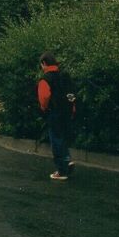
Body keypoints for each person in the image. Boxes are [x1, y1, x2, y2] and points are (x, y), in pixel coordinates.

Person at [37, 51, 76, 181]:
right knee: (63, 137)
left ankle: (61, 171)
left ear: (44, 63)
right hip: (67, 111)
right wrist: (73, 108)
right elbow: (71, 94)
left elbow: (44, 97)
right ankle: (68, 160)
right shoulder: (64, 76)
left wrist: (44, 108)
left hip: (54, 113)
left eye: (41, 65)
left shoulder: (45, 79)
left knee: (56, 140)